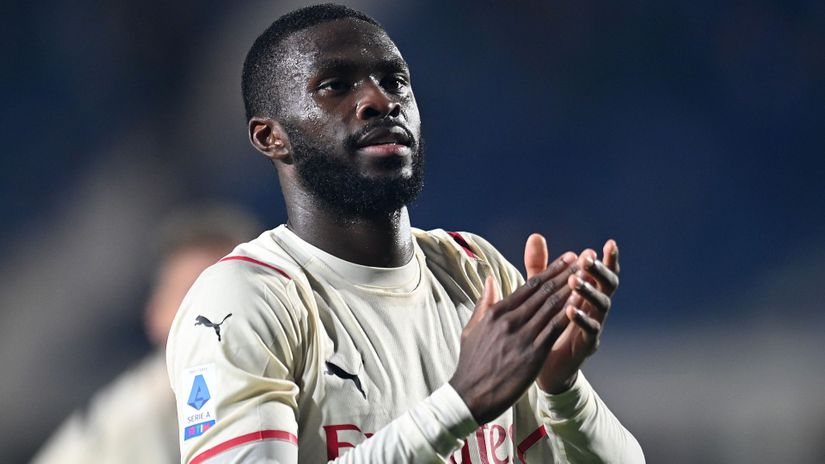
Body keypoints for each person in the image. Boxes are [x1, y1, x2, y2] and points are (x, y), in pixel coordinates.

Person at [167, 4, 645, 463]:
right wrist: (461, 403)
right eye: (336, 86)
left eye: (395, 81)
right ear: (270, 137)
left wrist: (560, 389)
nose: (380, 100)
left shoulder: (475, 270)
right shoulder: (246, 299)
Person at [32, 205, 260, 464]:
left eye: (231, 286)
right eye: (190, 293)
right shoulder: (131, 426)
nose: (216, 307)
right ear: (156, 316)